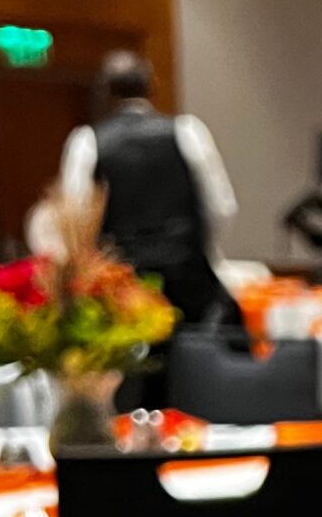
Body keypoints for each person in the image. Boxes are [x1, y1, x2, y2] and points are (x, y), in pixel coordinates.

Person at [59, 52, 237, 326]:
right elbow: (222, 207)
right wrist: (203, 253)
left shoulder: (87, 142)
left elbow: (76, 219)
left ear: (106, 91)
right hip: (187, 280)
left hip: (120, 288)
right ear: (152, 85)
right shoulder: (188, 131)